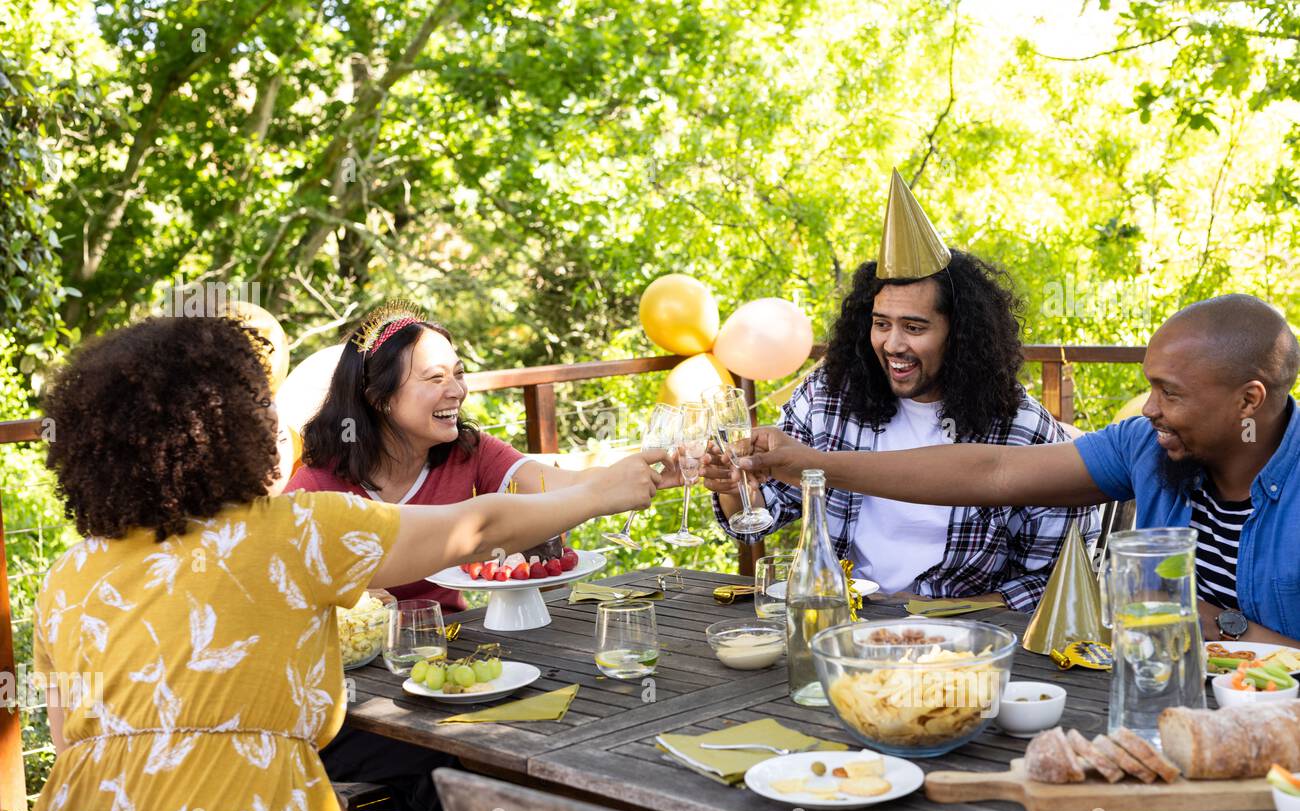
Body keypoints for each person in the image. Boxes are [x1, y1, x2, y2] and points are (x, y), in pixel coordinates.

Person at [23, 313, 670, 811]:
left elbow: (73, 738)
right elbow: (479, 529)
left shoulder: (64, 578)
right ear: (236, 428)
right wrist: (604, 489)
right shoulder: (295, 530)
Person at [734, 294, 1300, 647]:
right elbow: (992, 471)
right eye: (1150, 386)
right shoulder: (1143, 446)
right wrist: (809, 465)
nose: (1149, 408)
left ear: (1248, 400)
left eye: (1169, 393)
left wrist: (1224, 628)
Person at [704, 172, 1096, 611]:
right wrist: (733, 485)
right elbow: (758, 519)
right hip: (843, 621)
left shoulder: (1022, 429)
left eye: (914, 327)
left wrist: (936, 612)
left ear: (960, 335)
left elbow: (1058, 578)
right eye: (881, 323)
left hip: (959, 636)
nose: (892, 344)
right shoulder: (828, 398)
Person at [285, 300, 614, 611]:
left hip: (456, 642)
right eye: (435, 378)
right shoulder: (315, 487)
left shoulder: (471, 452)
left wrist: (633, 474)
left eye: (458, 373)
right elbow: (275, 583)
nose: (457, 391)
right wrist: (345, 601)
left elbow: (563, 485)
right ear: (380, 398)